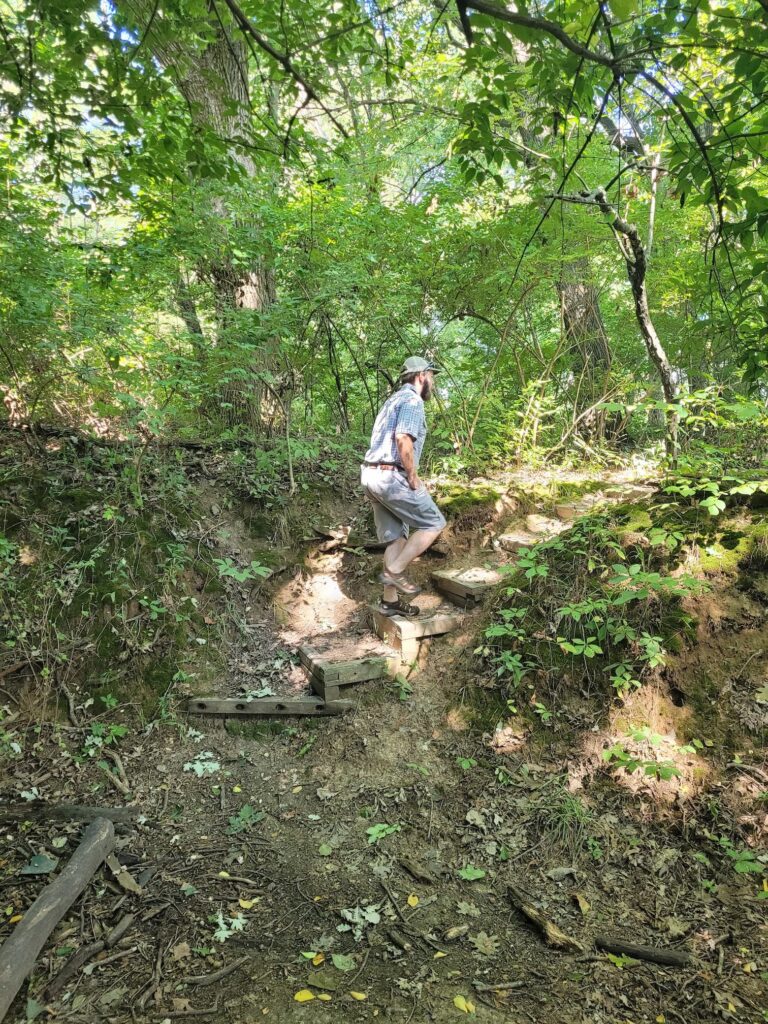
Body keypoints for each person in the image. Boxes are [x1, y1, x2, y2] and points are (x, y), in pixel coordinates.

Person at [361, 356, 447, 617]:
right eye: (431, 375)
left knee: (395, 537)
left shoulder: (391, 401)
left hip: (371, 475)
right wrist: (412, 476)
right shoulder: (412, 400)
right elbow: (402, 439)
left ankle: (390, 602)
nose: (432, 381)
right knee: (434, 523)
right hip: (391, 477)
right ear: (421, 375)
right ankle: (395, 571)